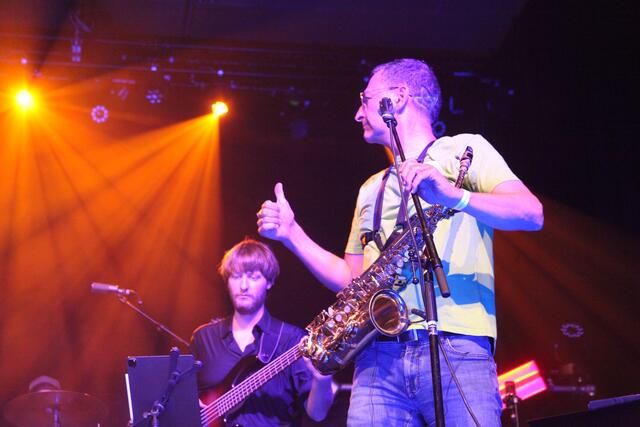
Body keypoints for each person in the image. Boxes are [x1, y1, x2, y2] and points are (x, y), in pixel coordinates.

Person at [256, 58, 544, 426]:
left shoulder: (465, 150)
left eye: (365, 100)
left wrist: (454, 197)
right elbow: (353, 279)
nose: (357, 114)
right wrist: (291, 234)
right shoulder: (370, 189)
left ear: (399, 97)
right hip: (377, 358)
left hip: (458, 345)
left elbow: (531, 214)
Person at [190, 238, 334, 427]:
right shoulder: (203, 338)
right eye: (236, 276)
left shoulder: (293, 340)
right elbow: (177, 399)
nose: (243, 285)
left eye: (253, 277)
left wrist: (322, 379)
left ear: (269, 282)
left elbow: (318, 414)